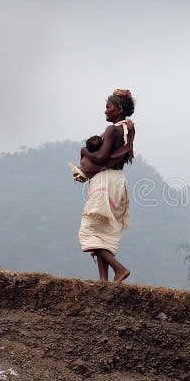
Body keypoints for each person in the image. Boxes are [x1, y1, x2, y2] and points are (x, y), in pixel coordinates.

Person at [73, 89, 136, 282]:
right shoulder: (128, 128)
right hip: (118, 180)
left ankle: (119, 269)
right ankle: (103, 279)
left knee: (89, 230)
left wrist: (84, 151)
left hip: (105, 181)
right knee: (104, 230)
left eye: (108, 107)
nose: (105, 111)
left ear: (118, 109)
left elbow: (101, 157)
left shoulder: (111, 130)